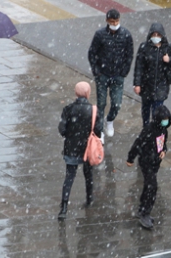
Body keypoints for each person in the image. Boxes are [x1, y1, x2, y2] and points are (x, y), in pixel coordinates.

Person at [88, 9, 133, 140]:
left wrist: (124, 72)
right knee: (101, 104)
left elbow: (129, 55)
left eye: (117, 21)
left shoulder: (125, 35)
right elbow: (92, 53)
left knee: (117, 103)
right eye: (112, 21)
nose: (115, 23)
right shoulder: (100, 35)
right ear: (107, 21)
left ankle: (110, 120)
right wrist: (96, 71)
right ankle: (100, 131)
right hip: (103, 75)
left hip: (118, 75)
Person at [57, 82, 100, 220]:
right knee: (89, 175)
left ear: (76, 93)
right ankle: (89, 199)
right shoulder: (94, 110)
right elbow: (98, 131)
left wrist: (71, 135)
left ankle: (63, 208)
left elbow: (62, 129)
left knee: (69, 177)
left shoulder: (68, 109)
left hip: (71, 148)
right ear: (88, 93)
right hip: (87, 149)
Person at [126, 105, 171, 229]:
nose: (165, 121)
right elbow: (138, 143)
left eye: (167, 119)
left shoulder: (164, 130)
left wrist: (164, 151)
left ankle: (142, 209)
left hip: (155, 162)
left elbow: (163, 143)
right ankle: (145, 212)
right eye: (164, 119)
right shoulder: (149, 130)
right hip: (146, 161)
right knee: (152, 187)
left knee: (148, 186)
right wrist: (131, 158)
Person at [133, 23, 171, 126]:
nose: (156, 37)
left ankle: (155, 129)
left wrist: (168, 60)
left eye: (158, 35)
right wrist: (137, 84)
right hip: (146, 85)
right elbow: (139, 66)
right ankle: (145, 128)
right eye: (154, 34)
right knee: (145, 109)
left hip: (161, 85)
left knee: (157, 110)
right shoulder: (144, 47)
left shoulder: (168, 47)